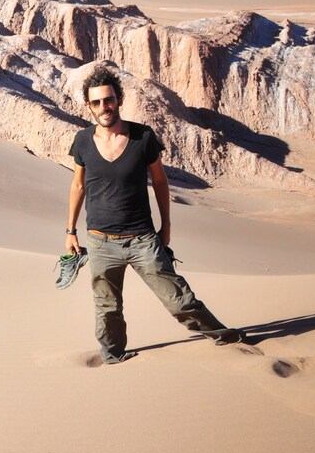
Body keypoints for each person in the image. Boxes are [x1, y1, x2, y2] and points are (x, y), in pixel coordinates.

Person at [65, 67, 245, 364]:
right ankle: (113, 357)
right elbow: (78, 185)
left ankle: (225, 338)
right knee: (107, 309)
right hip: (100, 242)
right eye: (96, 102)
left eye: (108, 100)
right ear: (88, 106)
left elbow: (160, 182)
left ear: (119, 99)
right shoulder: (82, 141)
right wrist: (70, 231)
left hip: (142, 240)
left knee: (179, 300)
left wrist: (166, 226)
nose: (103, 107)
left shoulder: (143, 137)